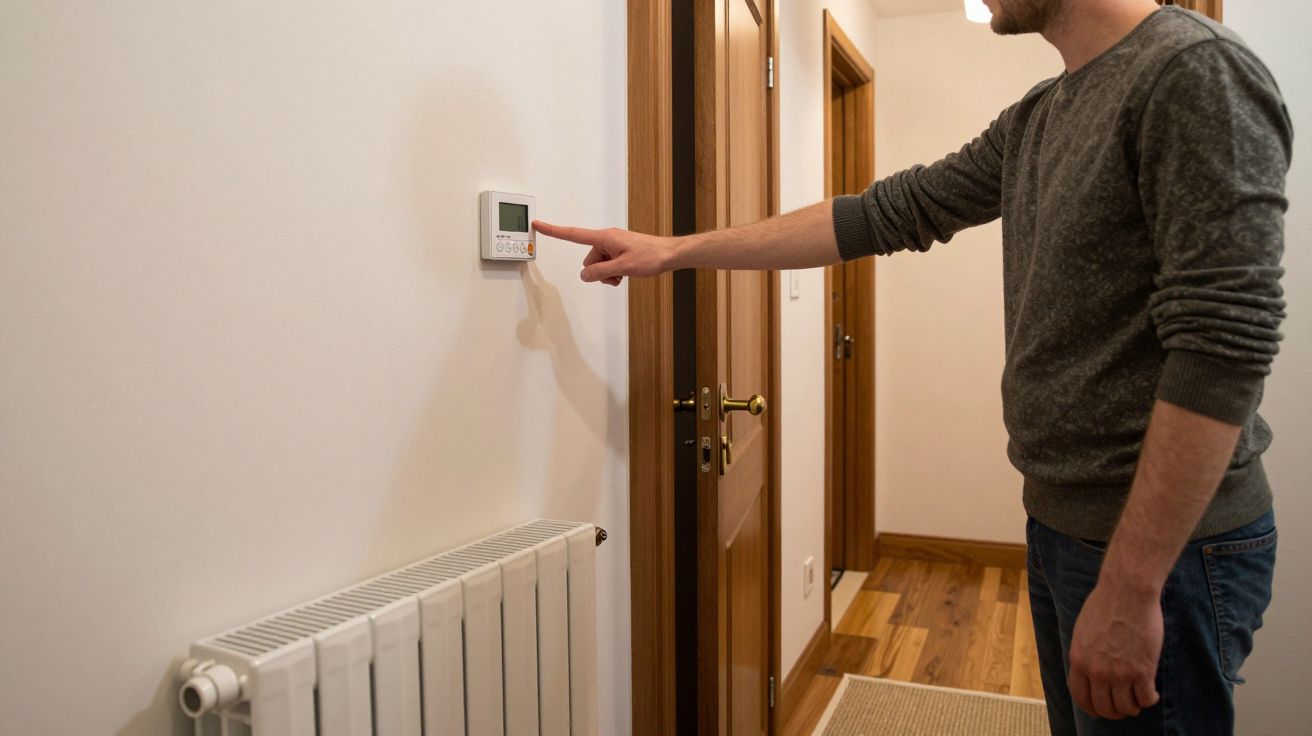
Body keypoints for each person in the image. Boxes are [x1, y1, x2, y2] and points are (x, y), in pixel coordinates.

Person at [535, 0, 1291, 733]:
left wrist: (1132, 585)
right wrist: (675, 251)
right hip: (1066, 525)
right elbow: (883, 213)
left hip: (1167, 553)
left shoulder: (1193, 72)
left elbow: (1223, 350)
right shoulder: (1041, 113)